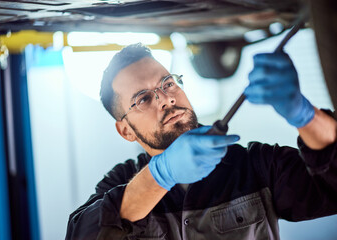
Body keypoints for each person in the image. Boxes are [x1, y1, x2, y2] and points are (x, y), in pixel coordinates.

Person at [65, 43, 337, 240]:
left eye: (168, 83)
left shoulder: (253, 167)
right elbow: (81, 234)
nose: (167, 99)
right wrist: (162, 175)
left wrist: (304, 115)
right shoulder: (122, 182)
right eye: (144, 99)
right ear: (126, 131)